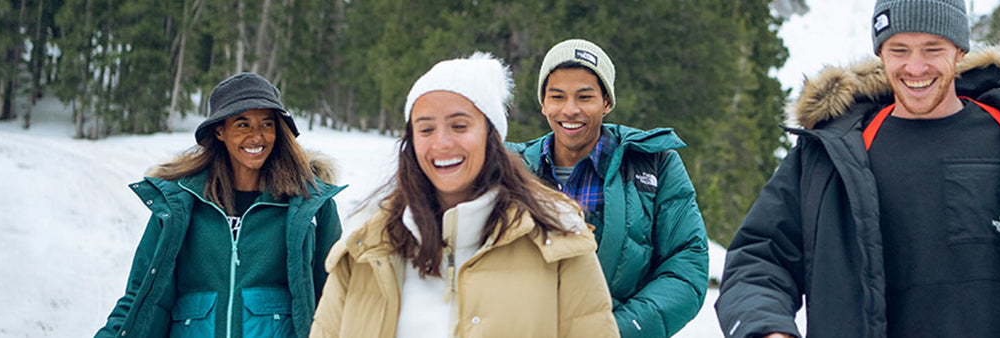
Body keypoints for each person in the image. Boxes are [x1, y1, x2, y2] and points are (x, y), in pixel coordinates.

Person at [714, 0, 1000, 337]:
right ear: (880, 53)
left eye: (933, 49)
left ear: (960, 50)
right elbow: (757, 260)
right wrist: (766, 329)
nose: (915, 68)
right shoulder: (830, 154)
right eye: (899, 50)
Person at [309, 53, 619, 338]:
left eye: (459, 126)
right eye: (426, 129)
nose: (442, 143)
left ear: (491, 135)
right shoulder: (366, 246)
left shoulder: (558, 239)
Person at [96, 73, 345, 338]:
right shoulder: (178, 207)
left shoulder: (308, 207)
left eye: (267, 124)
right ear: (220, 131)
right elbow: (139, 296)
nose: (257, 136)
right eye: (242, 124)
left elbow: (335, 296)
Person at [509, 39, 709, 338]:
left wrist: (617, 330)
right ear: (543, 104)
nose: (570, 109)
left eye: (585, 97)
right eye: (557, 96)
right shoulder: (511, 168)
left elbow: (686, 264)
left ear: (607, 102)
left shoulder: (654, 164)